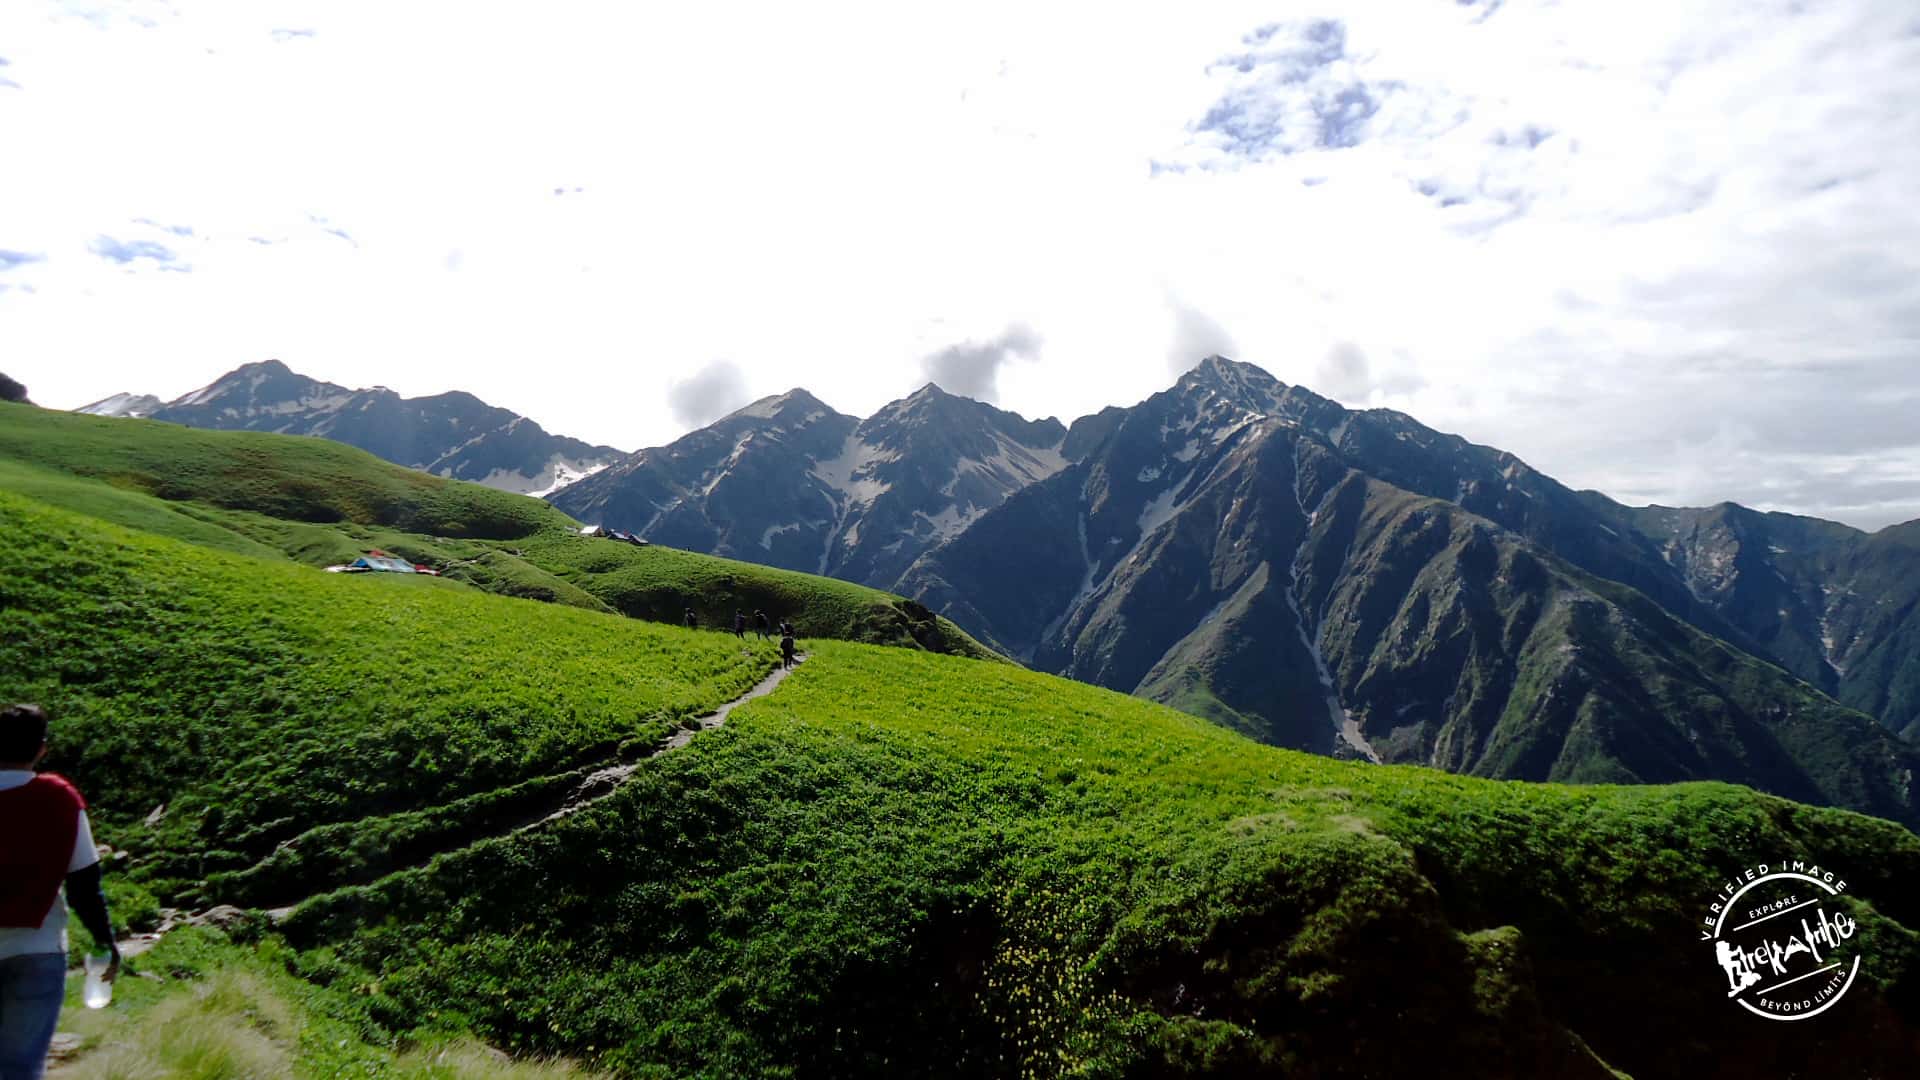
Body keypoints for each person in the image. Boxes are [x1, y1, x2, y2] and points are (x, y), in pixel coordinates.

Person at [1, 704, 118, 1080]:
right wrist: (104, 942)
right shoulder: (59, 799)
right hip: (37, 949)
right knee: (20, 1068)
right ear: (42, 749)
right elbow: (84, 885)